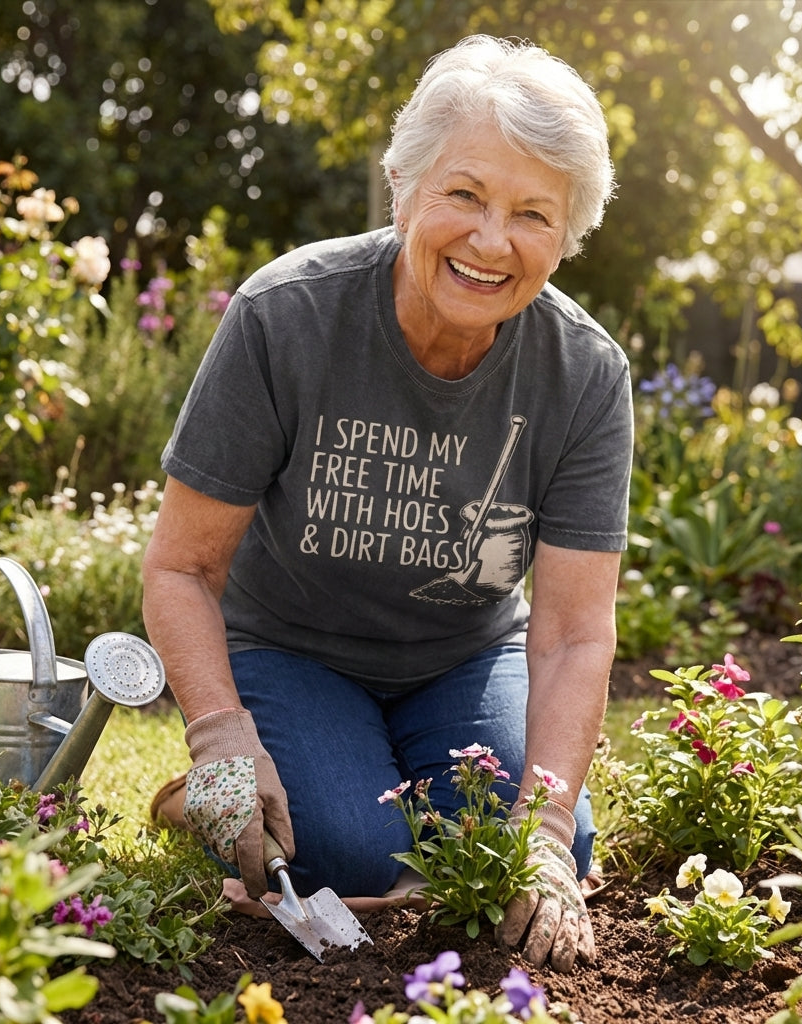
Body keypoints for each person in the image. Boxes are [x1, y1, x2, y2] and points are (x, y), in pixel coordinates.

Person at [142, 33, 632, 974]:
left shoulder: (584, 374)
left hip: (465, 654)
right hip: (287, 650)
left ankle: (401, 779)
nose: (493, 241)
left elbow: (575, 632)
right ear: (404, 187)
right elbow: (181, 566)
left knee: (536, 851)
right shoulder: (286, 316)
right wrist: (221, 738)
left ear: (566, 237)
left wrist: (547, 817)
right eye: (465, 194)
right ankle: (197, 794)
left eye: (533, 213)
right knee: (347, 851)